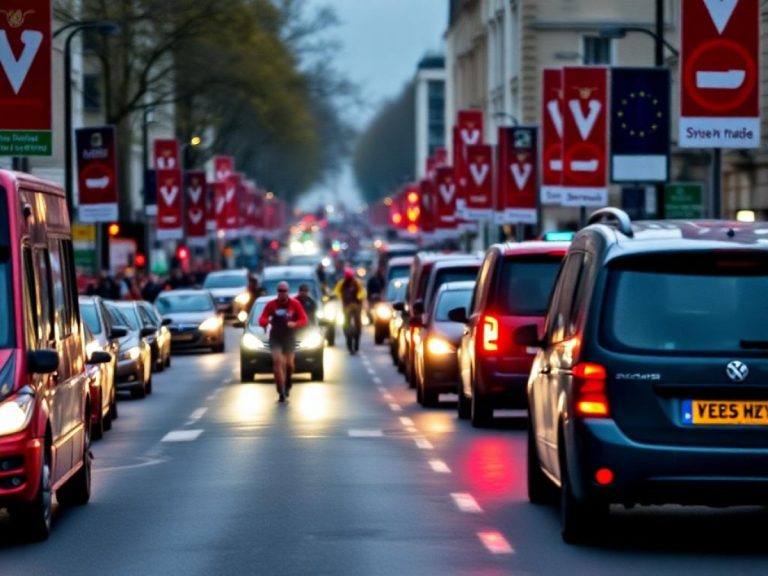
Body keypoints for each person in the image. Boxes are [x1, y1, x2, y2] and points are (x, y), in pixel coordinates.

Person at [258, 281, 308, 402]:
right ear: (277, 292)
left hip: (289, 337)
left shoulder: (295, 304)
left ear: (288, 292)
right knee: (277, 361)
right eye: (280, 291)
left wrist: (295, 323)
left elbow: (304, 319)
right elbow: (262, 318)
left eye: (284, 291)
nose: (282, 293)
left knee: (290, 364)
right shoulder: (271, 305)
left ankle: (288, 382)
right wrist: (266, 322)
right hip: (276, 337)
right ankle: (280, 389)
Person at [334, 268, 365, 354]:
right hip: (346, 306)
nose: (349, 280)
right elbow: (336, 291)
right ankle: (347, 336)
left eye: (350, 278)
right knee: (345, 323)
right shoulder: (341, 283)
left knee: (357, 321)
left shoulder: (356, 283)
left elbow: (362, 292)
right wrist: (338, 296)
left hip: (356, 305)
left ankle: (357, 337)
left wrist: (359, 297)